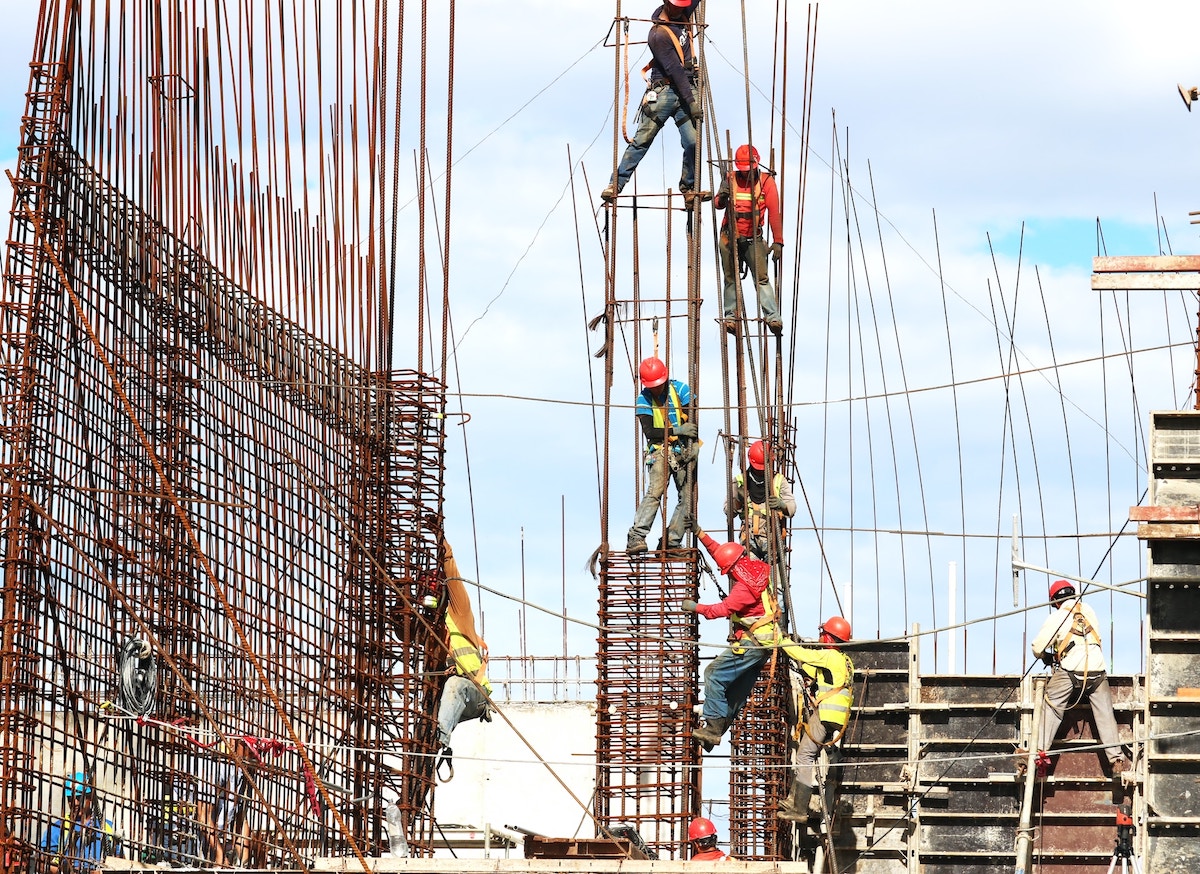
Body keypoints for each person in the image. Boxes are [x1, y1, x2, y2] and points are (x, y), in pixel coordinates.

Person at [684, 528, 782, 750]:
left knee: (713, 674)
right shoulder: (755, 569)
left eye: (727, 572)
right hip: (764, 644)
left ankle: (713, 728)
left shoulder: (743, 589)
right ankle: (715, 731)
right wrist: (700, 534)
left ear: (732, 569)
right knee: (736, 691)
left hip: (753, 643)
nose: (727, 575)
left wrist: (695, 607)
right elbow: (722, 552)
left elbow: (721, 609)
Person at [601, 0, 705, 204]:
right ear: (666, 3)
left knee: (693, 142)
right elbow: (675, 71)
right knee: (642, 141)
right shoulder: (658, 35)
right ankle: (616, 183)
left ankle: (689, 187)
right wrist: (692, 102)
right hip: (666, 91)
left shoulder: (683, 12)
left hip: (685, 89)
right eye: (676, 6)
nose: (680, 9)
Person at [1029, 579, 1130, 775]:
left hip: (1070, 670)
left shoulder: (1058, 615)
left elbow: (1036, 647)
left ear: (1055, 602)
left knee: (1052, 706)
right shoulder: (1089, 610)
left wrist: (1046, 657)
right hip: (1097, 671)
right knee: (1105, 714)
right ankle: (1116, 758)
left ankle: (1038, 754)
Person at [777, 617, 854, 823]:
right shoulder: (845, 661)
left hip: (826, 713)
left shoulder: (829, 655)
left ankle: (799, 808)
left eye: (823, 633)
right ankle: (794, 799)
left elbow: (802, 654)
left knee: (805, 756)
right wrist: (804, 671)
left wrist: (781, 640)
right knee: (807, 752)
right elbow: (815, 670)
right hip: (837, 717)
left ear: (828, 637)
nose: (820, 637)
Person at [435, 538, 492, 775]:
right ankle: (434, 739)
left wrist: (443, 548)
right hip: (450, 701)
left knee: (455, 684)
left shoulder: (458, 613)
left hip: (475, 694)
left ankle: (441, 738)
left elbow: (453, 580)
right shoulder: (432, 629)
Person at [628, 357, 697, 553]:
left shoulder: (681, 390)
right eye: (653, 386)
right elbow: (650, 432)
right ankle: (636, 536)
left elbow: (692, 420)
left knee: (688, 498)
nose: (656, 389)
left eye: (658, 385)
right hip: (659, 451)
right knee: (655, 492)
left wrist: (693, 441)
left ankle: (672, 541)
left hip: (682, 451)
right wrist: (677, 431)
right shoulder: (643, 399)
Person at [713, 144, 784, 335]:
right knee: (730, 279)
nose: (746, 174)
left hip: (753, 239)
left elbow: (774, 213)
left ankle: (772, 317)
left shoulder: (766, 181)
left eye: (749, 170)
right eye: (743, 171)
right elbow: (717, 204)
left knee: (761, 279)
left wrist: (778, 241)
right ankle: (731, 317)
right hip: (730, 237)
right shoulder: (730, 178)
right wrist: (723, 195)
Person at [724, 439, 796, 561]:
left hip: (772, 538)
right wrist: (738, 501)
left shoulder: (778, 480)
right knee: (752, 577)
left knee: (775, 579)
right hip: (749, 539)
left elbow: (792, 509)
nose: (761, 471)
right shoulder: (740, 481)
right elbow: (728, 512)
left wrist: (781, 505)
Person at [41, 772, 121, 874]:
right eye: (70, 799)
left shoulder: (106, 827)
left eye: (80, 798)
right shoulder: (58, 827)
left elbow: (119, 862)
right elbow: (42, 863)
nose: (75, 803)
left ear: (90, 797)